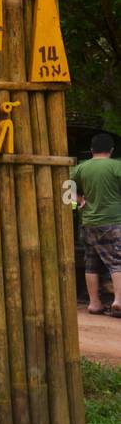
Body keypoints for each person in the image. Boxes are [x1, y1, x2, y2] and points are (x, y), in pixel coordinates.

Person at [72, 132, 121, 316]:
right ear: (112, 150)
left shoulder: (80, 168)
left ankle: (94, 303)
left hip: (88, 223)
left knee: (91, 263)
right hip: (114, 221)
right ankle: (118, 300)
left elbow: (65, 186)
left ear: (91, 150)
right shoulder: (117, 166)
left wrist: (78, 200)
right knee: (118, 261)